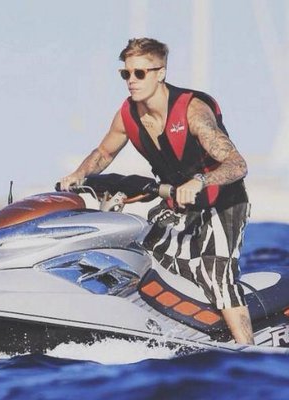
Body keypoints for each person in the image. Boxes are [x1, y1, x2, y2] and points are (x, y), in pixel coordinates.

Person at [59, 38, 254, 344]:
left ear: (160, 72)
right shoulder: (127, 114)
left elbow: (237, 164)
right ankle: (170, 328)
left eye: (140, 73)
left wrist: (200, 181)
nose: (131, 81)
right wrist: (79, 174)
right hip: (177, 202)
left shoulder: (192, 111)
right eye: (126, 74)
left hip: (222, 202)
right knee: (141, 254)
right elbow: (104, 153)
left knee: (217, 274)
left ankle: (247, 350)